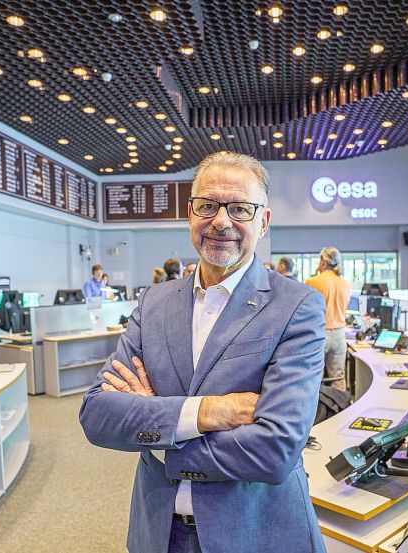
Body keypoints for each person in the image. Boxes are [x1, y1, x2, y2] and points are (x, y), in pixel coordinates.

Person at [80, 151, 326, 553]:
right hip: (158, 532)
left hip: (254, 531)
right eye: (208, 205)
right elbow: (96, 415)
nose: (221, 221)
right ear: (190, 213)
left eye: (240, 208)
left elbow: (276, 448)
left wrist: (158, 427)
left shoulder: (297, 306)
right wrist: (209, 411)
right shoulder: (153, 303)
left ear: (262, 222)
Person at [305, 248, 352, 390]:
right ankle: (340, 410)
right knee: (338, 378)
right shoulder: (346, 283)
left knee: (313, 378)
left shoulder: (312, 281)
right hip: (339, 335)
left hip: (319, 333)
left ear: (323, 261)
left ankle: (318, 411)